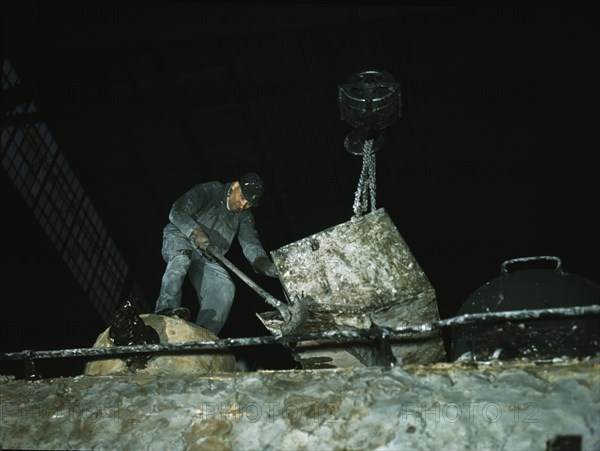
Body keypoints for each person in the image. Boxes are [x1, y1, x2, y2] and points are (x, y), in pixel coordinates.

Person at [154, 172, 278, 335]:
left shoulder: (244, 216)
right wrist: (195, 231)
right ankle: (166, 310)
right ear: (235, 185)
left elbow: (251, 244)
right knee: (181, 259)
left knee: (225, 287)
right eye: (241, 197)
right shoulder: (211, 190)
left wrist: (266, 265)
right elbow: (176, 211)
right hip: (180, 237)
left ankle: (204, 334)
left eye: (248, 203)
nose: (242, 205)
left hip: (207, 255)